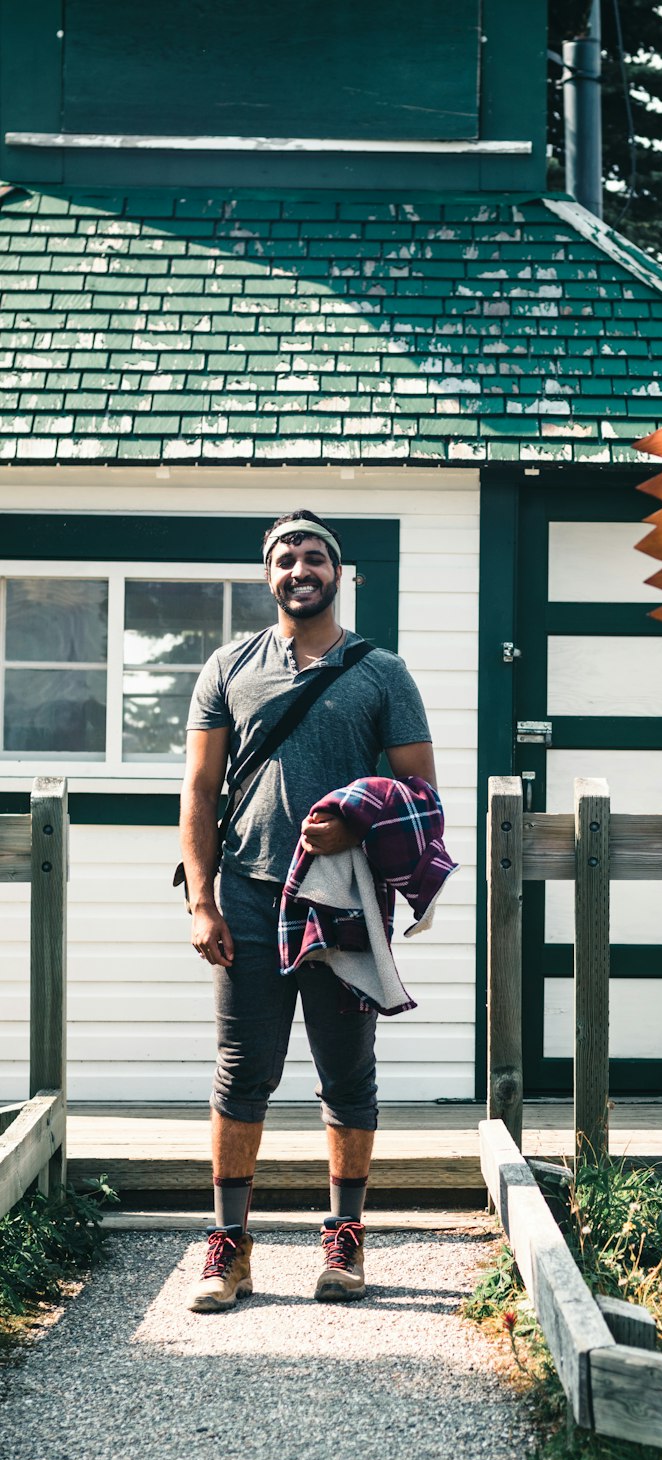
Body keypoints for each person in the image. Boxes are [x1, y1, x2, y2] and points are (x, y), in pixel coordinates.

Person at [179, 509, 435, 1312]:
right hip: (251, 897)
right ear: (268, 575)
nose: (300, 568)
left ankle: (345, 1241)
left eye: (314, 556)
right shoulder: (227, 666)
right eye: (285, 557)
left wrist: (354, 820)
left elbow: (420, 795)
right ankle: (229, 1250)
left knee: (346, 1074)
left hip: (342, 899)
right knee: (240, 1073)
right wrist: (201, 900)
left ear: (337, 571)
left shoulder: (382, 672)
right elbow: (198, 790)